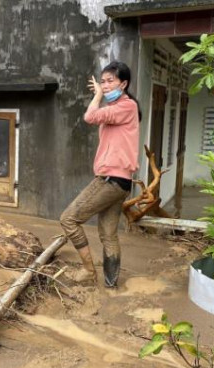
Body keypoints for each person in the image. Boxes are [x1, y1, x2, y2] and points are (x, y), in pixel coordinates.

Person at [60, 61, 141, 288]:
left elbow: (90, 117)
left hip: (110, 180)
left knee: (68, 219)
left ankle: (88, 272)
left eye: (110, 81)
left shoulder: (126, 106)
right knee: (108, 234)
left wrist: (96, 96)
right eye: (102, 82)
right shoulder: (119, 109)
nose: (105, 86)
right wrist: (101, 95)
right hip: (121, 182)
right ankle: (111, 285)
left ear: (123, 84)